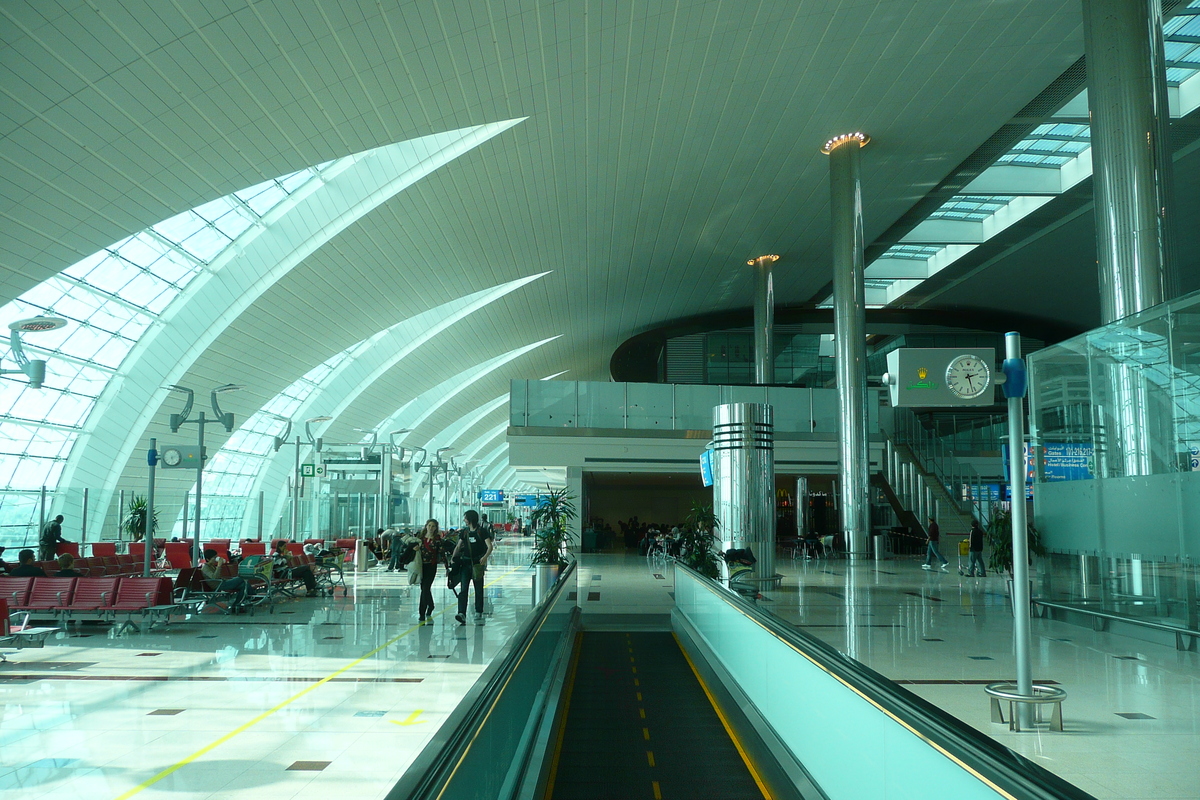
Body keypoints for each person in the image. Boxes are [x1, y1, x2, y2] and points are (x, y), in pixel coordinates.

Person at [451, 510, 494, 625]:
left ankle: (478, 610)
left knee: (478, 588)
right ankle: (461, 613)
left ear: (470, 519)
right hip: (465, 564)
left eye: (465, 518)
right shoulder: (464, 532)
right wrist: (453, 558)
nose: (464, 520)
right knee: (463, 588)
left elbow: (489, 546)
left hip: (477, 564)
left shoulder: (481, 531)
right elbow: (458, 546)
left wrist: (485, 557)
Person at [416, 519, 442, 624]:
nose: (431, 528)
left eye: (433, 526)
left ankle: (421, 613)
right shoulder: (420, 538)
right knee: (424, 588)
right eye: (429, 525)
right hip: (421, 566)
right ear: (426, 526)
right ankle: (430, 605)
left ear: (436, 528)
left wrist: (447, 567)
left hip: (431, 566)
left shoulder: (437, 539)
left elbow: (442, 553)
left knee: (425, 588)